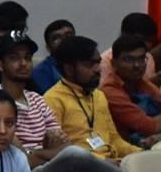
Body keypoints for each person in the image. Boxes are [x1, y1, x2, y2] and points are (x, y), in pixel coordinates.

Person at [0, 34, 123, 172]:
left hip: (57, 171)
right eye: (14, 58)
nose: (23, 63)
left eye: (27, 58)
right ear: (0, 65)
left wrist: (38, 153)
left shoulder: (37, 99)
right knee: (75, 155)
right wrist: (44, 151)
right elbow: (23, 159)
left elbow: (63, 143)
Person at [44, 36, 142, 164]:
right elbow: (61, 151)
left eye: (98, 62)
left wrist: (141, 152)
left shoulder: (98, 96)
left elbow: (114, 139)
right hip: (83, 169)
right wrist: (103, 161)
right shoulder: (53, 99)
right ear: (69, 69)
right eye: (89, 64)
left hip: (112, 163)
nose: (98, 69)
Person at [102, 33, 161, 146]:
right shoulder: (109, 90)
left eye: (141, 59)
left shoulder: (143, 84)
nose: (137, 65)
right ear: (114, 63)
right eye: (128, 59)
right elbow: (149, 127)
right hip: (124, 150)